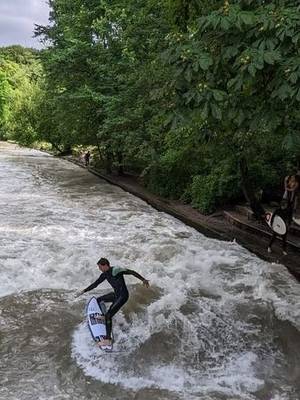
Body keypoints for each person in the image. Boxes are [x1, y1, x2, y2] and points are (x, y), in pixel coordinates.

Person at [76, 258, 149, 346]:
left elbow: (131, 272)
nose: (99, 269)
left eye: (100, 267)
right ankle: (104, 317)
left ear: (105, 265)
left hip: (123, 296)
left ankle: (108, 339)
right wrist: (84, 291)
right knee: (98, 300)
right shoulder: (104, 274)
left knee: (109, 315)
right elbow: (95, 284)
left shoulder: (116, 270)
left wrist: (143, 279)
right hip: (116, 295)